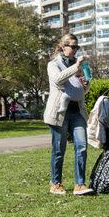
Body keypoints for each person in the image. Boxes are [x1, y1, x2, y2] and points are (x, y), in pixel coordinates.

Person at [43, 33, 93, 196]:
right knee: (59, 149)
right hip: (60, 113)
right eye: (72, 46)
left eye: (77, 47)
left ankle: (80, 184)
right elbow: (58, 80)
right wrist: (76, 68)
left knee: (82, 146)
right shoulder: (53, 64)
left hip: (77, 111)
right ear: (63, 47)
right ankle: (55, 183)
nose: (75, 50)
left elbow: (80, 90)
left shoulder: (78, 66)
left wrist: (85, 85)